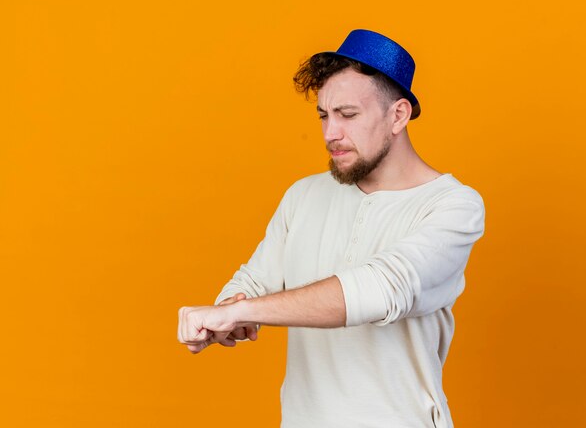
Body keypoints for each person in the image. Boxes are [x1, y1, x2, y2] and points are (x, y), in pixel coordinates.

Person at [177, 29, 486, 427]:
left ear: (398, 115)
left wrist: (250, 309)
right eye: (324, 116)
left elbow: (382, 289)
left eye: (348, 115)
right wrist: (222, 316)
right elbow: (254, 282)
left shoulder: (452, 206)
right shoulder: (303, 196)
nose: (330, 134)